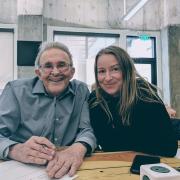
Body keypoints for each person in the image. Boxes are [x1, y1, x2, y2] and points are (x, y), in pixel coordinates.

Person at [0, 41, 96, 178]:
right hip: (20, 169)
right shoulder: (15, 91)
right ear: (38, 73)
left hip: (67, 170)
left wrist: (78, 148)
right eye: (48, 66)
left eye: (62, 65)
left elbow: (86, 130)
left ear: (72, 72)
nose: (55, 72)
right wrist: (16, 150)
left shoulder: (81, 90)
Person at [88, 45, 177, 157]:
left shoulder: (145, 96)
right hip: (114, 164)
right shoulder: (95, 100)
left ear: (127, 70)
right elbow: (107, 144)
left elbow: (168, 148)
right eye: (101, 71)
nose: (107, 77)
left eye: (115, 69)